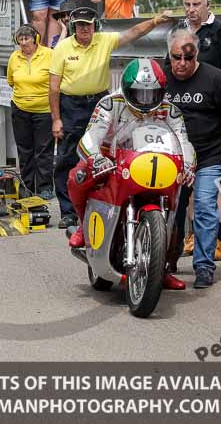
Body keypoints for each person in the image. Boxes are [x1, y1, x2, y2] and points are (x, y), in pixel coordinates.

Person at [67, 59, 196, 290]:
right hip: (111, 161)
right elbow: (90, 137)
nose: (146, 101)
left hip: (156, 163)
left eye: (152, 94)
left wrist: (187, 166)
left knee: (175, 210)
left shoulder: (170, 109)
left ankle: (160, 269)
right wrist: (96, 157)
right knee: (76, 176)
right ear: (127, 90)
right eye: (139, 94)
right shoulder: (110, 103)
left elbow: (183, 140)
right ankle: (82, 225)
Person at [50, 7, 174, 229]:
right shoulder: (62, 48)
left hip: (99, 102)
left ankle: (104, 203)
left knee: (107, 152)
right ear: (73, 27)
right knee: (68, 157)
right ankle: (69, 211)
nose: (84, 28)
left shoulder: (104, 40)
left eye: (87, 24)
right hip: (70, 105)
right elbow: (53, 88)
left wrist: (155, 21)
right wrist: (56, 119)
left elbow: (133, 33)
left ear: (94, 25)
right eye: (79, 25)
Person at [165, 28, 221, 289]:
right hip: (172, 157)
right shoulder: (160, 78)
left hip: (209, 155)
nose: (182, 63)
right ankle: (166, 263)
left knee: (204, 208)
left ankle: (203, 266)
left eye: (188, 58)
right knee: (170, 211)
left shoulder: (216, 78)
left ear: (196, 54)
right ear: (170, 54)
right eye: (177, 57)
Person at [175, 0, 221, 258]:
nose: (191, 10)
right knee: (189, 181)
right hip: (184, 119)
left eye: (196, 5)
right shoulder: (178, 32)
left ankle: (216, 239)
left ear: (207, 4)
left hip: (216, 118)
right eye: (188, 5)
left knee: (216, 183)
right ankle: (192, 235)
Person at [7, 24, 55, 199]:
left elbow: (56, 80)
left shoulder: (49, 54)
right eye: (20, 39)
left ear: (35, 39)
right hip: (20, 110)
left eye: (26, 38)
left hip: (44, 110)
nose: (23, 42)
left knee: (43, 151)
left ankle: (45, 187)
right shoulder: (14, 57)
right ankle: (27, 186)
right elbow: (11, 81)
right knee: (24, 150)